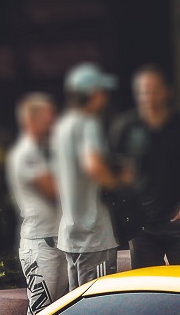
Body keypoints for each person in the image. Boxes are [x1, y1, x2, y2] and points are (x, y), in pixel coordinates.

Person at [110, 65, 180, 268]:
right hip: (142, 226)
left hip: (179, 221)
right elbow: (119, 170)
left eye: (153, 90)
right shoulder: (126, 126)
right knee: (148, 290)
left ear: (167, 91)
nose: (148, 96)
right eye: (143, 91)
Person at [51, 62, 128, 288]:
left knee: (78, 309)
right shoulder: (87, 124)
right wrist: (116, 182)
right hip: (93, 234)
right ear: (92, 94)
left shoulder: (62, 126)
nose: (105, 97)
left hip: (70, 232)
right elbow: (93, 165)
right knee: (100, 309)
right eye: (103, 91)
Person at [6, 93, 66, 315]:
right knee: (40, 313)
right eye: (48, 118)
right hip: (40, 244)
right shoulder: (26, 153)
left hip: (59, 240)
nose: (54, 123)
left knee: (60, 312)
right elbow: (54, 190)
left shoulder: (45, 151)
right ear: (30, 120)